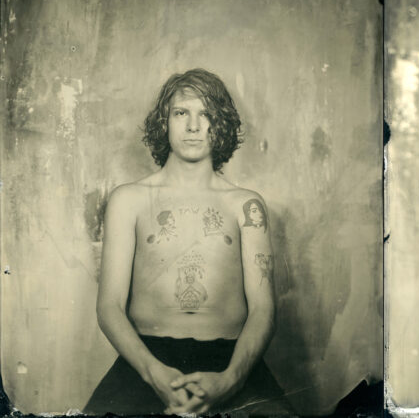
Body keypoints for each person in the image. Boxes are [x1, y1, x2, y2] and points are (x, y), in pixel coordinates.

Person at [84, 69, 290, 415]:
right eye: (181, 113)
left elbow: (263, 310)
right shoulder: (128, 200)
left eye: (205, 114)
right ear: (164, 122)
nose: (193, 126)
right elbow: (109, 306)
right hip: (146, 361)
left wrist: (230, 380)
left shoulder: (245, 204)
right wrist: (154, 374)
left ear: (220, 124)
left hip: (231, 361)